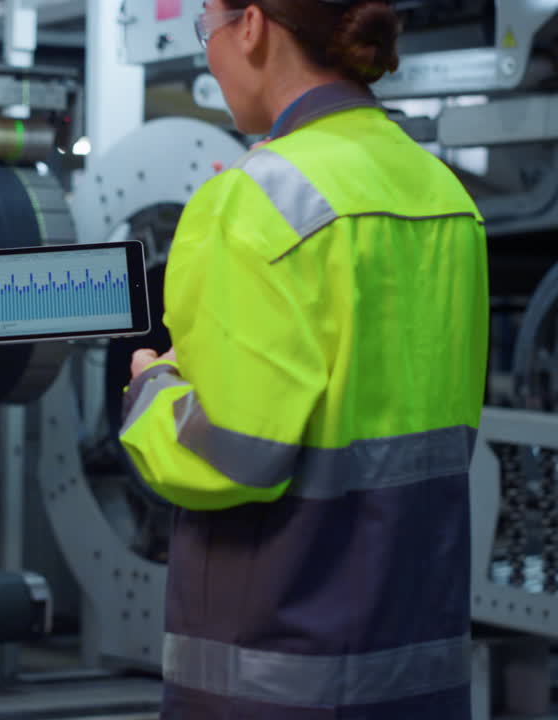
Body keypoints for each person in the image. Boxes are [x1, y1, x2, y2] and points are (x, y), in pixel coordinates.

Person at [120, 1, 488, 718]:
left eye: (207, 30)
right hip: (417, 670)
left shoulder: (256, 200)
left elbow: (229, 457)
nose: (209, 56)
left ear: (252, 26)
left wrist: (150, 389)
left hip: (275, 677)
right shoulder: (443, 194)